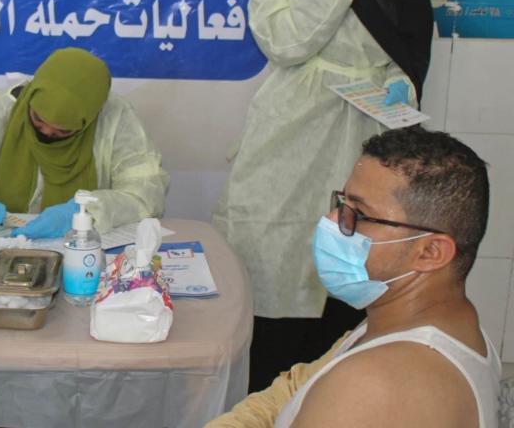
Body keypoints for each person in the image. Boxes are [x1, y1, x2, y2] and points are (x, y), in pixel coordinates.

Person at [211, 0, 434, 391]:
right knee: (275, 264)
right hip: (292, 129)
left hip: (369, 127)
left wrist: (404, 85)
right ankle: (264, 401)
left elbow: (411, 42)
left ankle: (340, 399)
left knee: (356, 264)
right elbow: (283, 41)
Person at [206, 126, 500, 427]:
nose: (332, 222)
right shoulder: (418, 320)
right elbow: (295, 390)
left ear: (430, 252)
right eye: (341, 203)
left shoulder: (376, 385)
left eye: (358, 214)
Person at [0, 47, 169, 238]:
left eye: (62, 131)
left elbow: (146, 191)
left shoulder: (116, 121)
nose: (46, 131)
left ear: (88, 122)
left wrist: (86, 211)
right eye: (38, 118)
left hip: (82, 249)